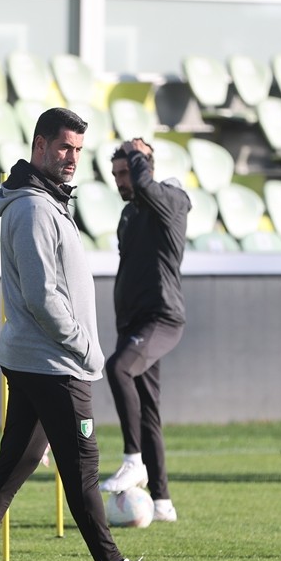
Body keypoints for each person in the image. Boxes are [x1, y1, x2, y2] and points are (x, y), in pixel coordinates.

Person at [0, 107, 176, 561]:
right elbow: (42, 296)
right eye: (63, 148)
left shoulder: (45, 201)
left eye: (77, 149)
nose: (71, 157)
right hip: (54, 361)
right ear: (40, 146)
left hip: (38, 357)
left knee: (17, 460)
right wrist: (86, 348)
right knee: (83, 469)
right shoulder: (32, 207)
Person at [98, 138, 190, 523]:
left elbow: (150, 188)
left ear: (145, 167)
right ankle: (163, 502)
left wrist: (139, 156)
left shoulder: (172, 199)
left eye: (127, 172)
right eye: (116, 173)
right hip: (133, 322)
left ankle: (133, 459)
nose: (121, 180)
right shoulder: (129, 214)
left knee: (117, 368)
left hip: (162, 318)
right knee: (148, 409)